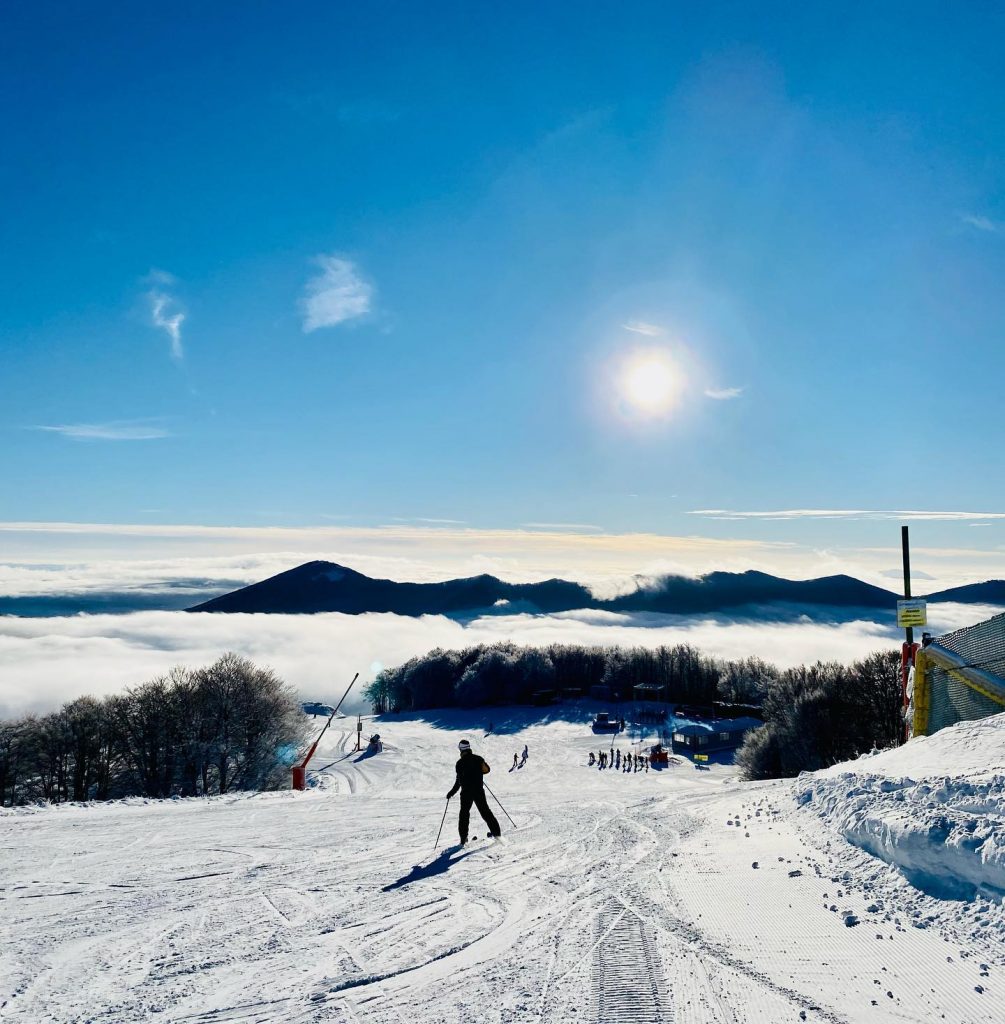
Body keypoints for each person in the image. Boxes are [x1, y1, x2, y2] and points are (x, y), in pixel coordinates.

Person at [446, 740, 500, 845]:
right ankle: (497, 834)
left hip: (466, 793)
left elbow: (458, 782)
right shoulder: (478, 759)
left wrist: (451, 793)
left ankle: (463, 839)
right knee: (485, 812)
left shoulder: (459, 763)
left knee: (464, 815)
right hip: (478, 791)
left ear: (461, 749)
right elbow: (487, 770)